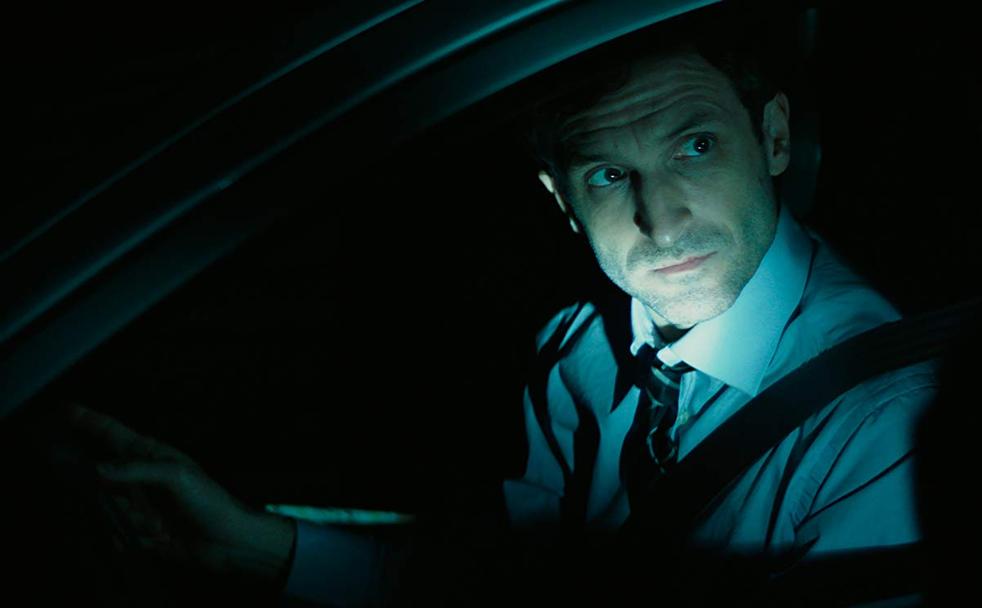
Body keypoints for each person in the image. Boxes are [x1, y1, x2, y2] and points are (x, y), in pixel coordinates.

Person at [67, 20, 939, 607]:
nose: (662, 219)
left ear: (774, 139)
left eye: (696, 146)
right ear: (562, 200)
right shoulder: (580, 349)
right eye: (609, 174)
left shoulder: (886, 421)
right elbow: (519, 582)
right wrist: (253, 546)